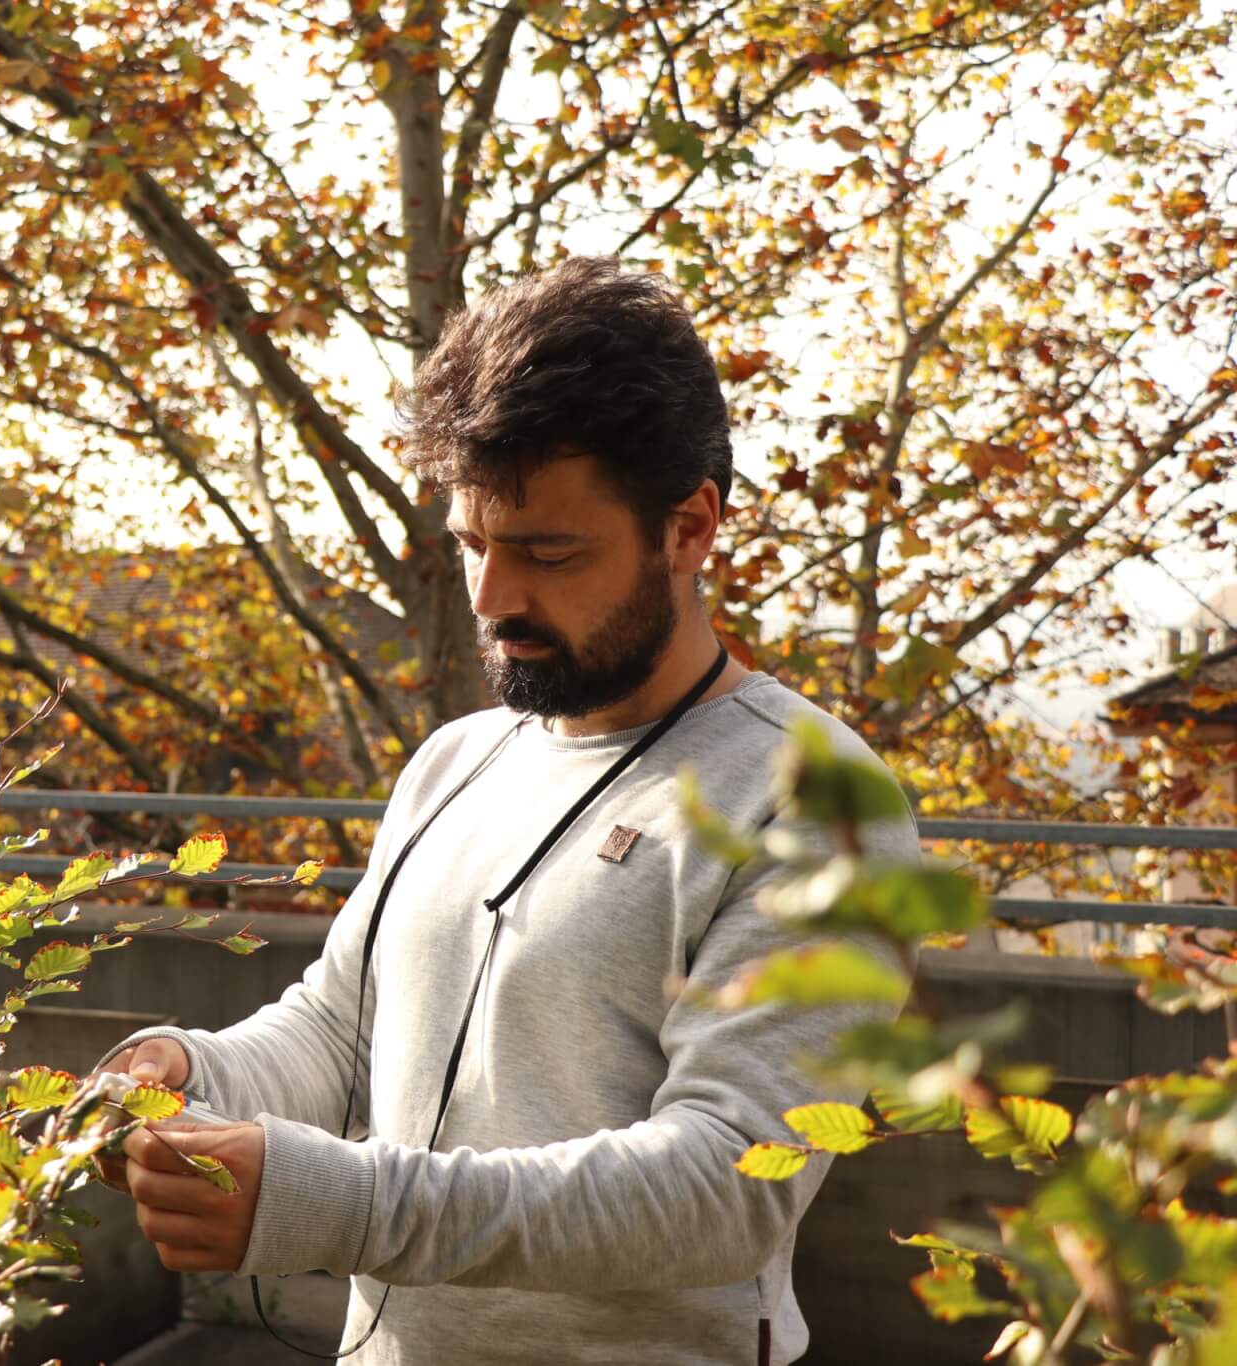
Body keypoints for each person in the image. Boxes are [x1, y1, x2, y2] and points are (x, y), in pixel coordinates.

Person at [93, 256, 919, 1366]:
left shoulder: (817, 802)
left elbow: (726, 1182)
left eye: (546, 552)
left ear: (688, 529)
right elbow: (340, 1030)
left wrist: (337, 1204)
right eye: (474, 544)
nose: (491, 599)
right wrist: (190, 1073)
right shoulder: (453, 762)